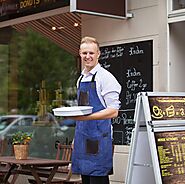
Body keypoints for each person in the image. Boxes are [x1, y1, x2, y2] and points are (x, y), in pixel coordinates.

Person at [71, 36, 122, 184]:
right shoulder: (80, 78)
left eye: (91, 53)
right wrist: (76, 137)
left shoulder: (106, 78)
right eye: (84, 53)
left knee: (98, 179)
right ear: (80, 54)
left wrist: (87, 118)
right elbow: (82, 110)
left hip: (99, 138)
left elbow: (113, 111)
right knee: (85, 180)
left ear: (98, 54)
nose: (88, 57)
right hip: (82, 136)